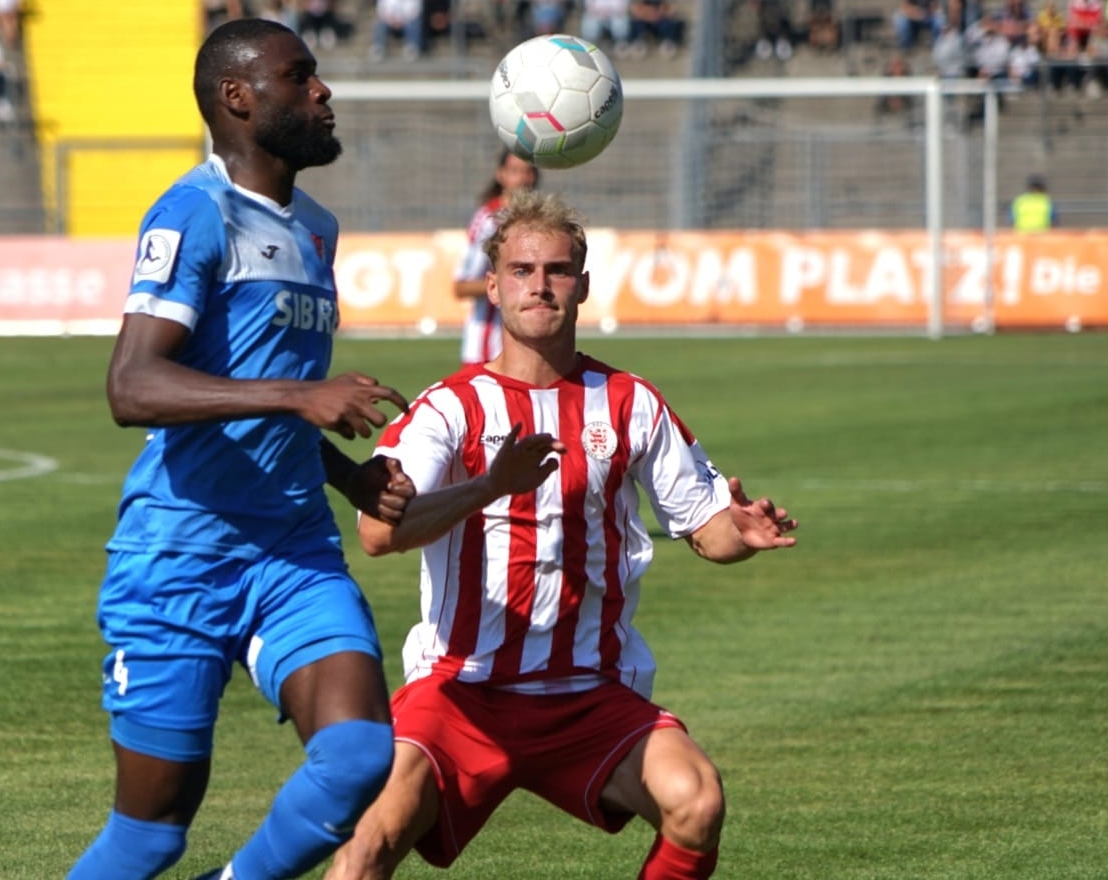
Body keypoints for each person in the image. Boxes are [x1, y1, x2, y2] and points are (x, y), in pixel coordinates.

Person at [324, 191, 798, 880]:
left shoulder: (631, 401)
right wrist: (492, 484)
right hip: (461, 690)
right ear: (493, 286)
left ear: (583, 284)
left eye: (557, 270)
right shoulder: (449, 408)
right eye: (521, 270)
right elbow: (377, 532)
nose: (539, 285)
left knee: (696, 800)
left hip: (588, 692)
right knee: (367, 843)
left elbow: (708, 532)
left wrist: (741, 533)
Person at [65, 17, 418, 880]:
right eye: (299, 77)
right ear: (238, 97)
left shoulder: (318, 228)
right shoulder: (195, 212)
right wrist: (302, 396)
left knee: (359, 757)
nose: (322, 91)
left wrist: (346, 477)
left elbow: (263, 389)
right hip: (179, 557)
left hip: (293, 553)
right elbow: (132, 386)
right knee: (150, 836)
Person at [454, 151, 538, 364]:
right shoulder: (488, 220)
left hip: (528, 348)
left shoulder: (540, 221)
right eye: (515, 171)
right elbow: (461, 286)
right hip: (487, 348)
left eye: (528, 171)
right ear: (501, 175)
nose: (522, 179)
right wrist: (513, 282)